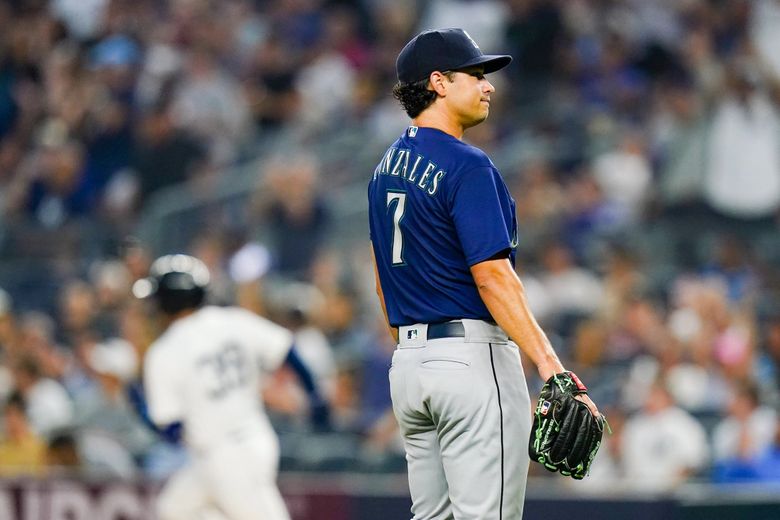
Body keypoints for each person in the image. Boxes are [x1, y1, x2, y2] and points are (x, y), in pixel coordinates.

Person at [368, 28, 601, 519]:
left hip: (410, 367)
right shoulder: (467, 164)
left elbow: (381, 269)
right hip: (470, 361)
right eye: (475, 74)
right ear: (439, 82)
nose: (488, 85)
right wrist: (550, 364)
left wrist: (415, 344)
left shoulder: (384, 168)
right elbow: (493, 276)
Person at [130, 254, 328, 520]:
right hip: (249, 441)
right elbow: (286, 348)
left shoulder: (164, 351)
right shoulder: (233, 320)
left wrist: (141, 409)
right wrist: (315, 395)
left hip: (224, 456)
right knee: (175, 509)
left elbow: (172, 432)